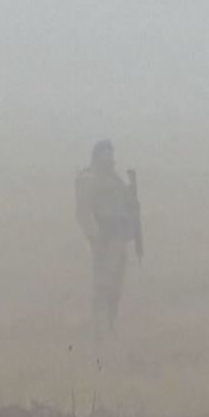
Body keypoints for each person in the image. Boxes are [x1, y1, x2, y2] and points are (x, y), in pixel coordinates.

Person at [74, 139, 142, 337]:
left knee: (116, 286)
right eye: (105, 153)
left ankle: (109, 325)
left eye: (110, 153)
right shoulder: (88, 178)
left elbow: (126, 206)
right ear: (97, 155)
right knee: (103, 285)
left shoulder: (115, 179)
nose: (109, 157)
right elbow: (84, 212)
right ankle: (100, 330)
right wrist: (95, 238)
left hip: (119, 238)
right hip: (104, 238)